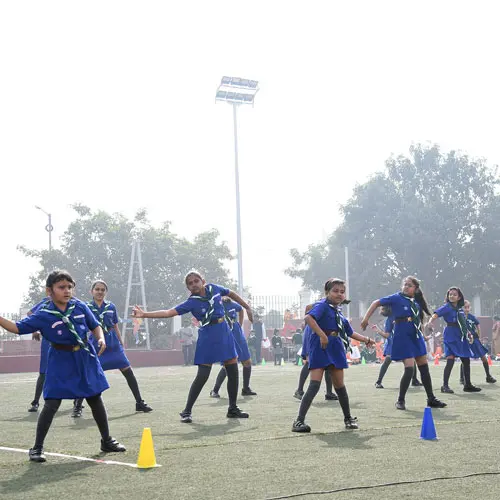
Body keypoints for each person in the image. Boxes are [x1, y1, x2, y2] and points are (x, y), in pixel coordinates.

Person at [0, 270, 125, 462]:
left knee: (94, 397)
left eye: (69, 287)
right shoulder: (44, 314)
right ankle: (37, 448)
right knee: (52, 402)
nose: (67, 291)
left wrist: (100, 338)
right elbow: (16, 328)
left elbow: (95, 325)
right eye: (61, 287)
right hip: (60, 359)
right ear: (49, 291)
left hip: (84, 357)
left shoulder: (79, 306)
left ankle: (107, 440)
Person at [133, 270, 253, 423]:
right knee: (202, 375)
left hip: (224, 332)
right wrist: (144, 314)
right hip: (207, 336)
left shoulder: (214, 288)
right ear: (188, 288)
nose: (194, 284)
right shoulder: (191, 302)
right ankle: (187, 411)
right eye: (190, 283)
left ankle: (233, 408)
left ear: (203, 281)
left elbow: (231, 293)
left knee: (233, 370)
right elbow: (169, 312)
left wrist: (247, 307)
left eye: (196, 281)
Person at [292, 278, 374, 433]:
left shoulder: (338, 311)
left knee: (340, 387)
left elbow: (350, 332)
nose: (339, 294)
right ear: (327, 292)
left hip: (335, 347)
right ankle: (298, 421)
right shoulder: (322, 306)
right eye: (335, 291)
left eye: (342, 292)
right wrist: (322, 336)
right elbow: (308, 318)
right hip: (321, 346)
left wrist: (367, 340)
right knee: (314, 385)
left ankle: (348, 419)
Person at [361, 276, 446, 411]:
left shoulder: (416, 302)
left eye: (409, 285)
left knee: (424, 368)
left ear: (415, 289)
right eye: (405, 284)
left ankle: (431, 399)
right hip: (402, 335)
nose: (406, 287)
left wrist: (423, 335)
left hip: (416, 336)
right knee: (409, 368)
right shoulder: (396, 298)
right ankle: (400, 400)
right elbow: (376, 302)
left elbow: (417, 321)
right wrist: (365, 319)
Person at [72, 280, 152, 417]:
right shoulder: (86, 307)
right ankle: (77, 406)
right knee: (89, 375)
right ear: (91, 291)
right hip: (96, 344)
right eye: (97, 289)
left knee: (128, 372)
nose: (100, 292)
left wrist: (121, 342)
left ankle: (139, 402)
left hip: (113, 344)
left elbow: (115, 325)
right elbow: (82, 327)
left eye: (102, 290)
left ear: (106, 292)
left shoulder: (111, 306)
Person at [428, 287, 480, 394]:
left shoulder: (460, 309)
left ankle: (467, 385)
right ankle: (445, 386)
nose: (452, 296)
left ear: (459, 297)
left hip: (461, 336)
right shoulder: (447, 307)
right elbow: (436, 314)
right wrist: (430, 322)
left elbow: (463, 323)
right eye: (450, 294)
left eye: (454, 294)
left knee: (466, 360)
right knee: (450, 360)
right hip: (450, 335)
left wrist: (469, 333)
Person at [209, 296, 257, 398]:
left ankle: (246, 389)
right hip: (226, 338)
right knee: (227, 365)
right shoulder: (215, 307)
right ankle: (215, 390)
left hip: (239, 336)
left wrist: (239, 324)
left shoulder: (231, 304)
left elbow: (241, 309)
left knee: (247, 362)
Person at [460, 300, 496, 384]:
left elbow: (478, 326)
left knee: (483, 357)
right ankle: (462, 378)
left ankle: (488, 376)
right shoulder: (460, 317)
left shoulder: (472, 317)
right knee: (465, 359)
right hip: (466, 340)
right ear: (461, 308)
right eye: (465, 307)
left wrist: (479, 336)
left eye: (468, 307)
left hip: (475, 339)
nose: (467, 309)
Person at [27, 296, 51, 412]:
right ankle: (35, 402)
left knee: (71, 370)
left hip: (66, 341)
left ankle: (77, 402)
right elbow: (30, 313)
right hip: (48, 341)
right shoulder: (46, 302)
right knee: (43, 372)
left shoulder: (72, 302)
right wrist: (34, 329)